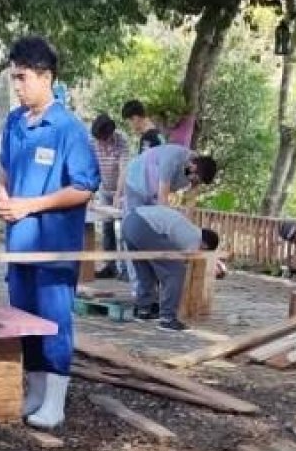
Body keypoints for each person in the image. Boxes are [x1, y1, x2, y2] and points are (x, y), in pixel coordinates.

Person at [0, 36, 99, 429]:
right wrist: (1, 191)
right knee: (24, 317)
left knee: (54, 320)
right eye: (14, 78)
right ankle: (35, 393)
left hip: (54, 246)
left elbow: (84, 187)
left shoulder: (69, 129)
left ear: (46, 77)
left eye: (22, 78)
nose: (17, 86)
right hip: (18, 244)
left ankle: (55, 403)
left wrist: (30, 205)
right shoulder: (14, 122)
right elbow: (6, 168)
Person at [121, 203, 220, 332]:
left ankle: (143, 310)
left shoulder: (187, 228)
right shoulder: (195, 238)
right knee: (175, 271)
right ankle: (168, 319)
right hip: (144, 226)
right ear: (205, 246)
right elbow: (184, 262)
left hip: (129, 222)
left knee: (146, 270)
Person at [122, 144, 217, 215]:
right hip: (136, 183)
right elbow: (162, 198)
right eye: (196, 179)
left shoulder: (196, 171)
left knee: (152, 224)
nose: (195, 183)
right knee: (135, 219)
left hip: (152, 192)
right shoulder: (172, 159)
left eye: (199, 182)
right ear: (193, 167)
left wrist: (187, 221)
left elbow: (191, 200)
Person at [90, 113, 129, 277]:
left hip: (122, 191)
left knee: (125, 230)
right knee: (107, 228)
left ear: (111, 134)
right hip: (104, 189)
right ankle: (110, 266)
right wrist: (90, 192)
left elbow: (123, 169)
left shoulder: (121, 140)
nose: (101, 143)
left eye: (103, 139)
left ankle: (126, 270)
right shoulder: (92, 142)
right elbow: (91, 169)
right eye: (99, 139)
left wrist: (119, 194)